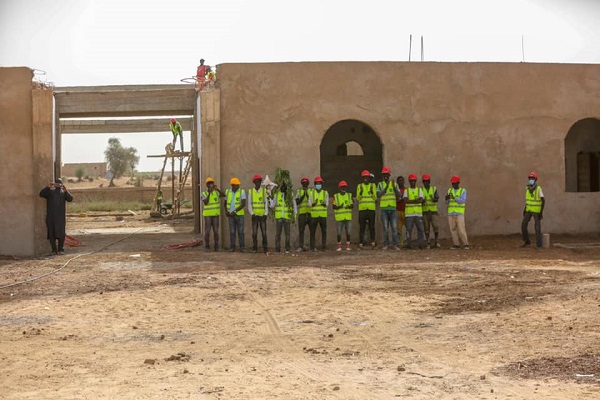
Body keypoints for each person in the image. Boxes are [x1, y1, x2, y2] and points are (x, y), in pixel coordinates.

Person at [39, 179, 73, 255]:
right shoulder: (50, 192)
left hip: (60, 217)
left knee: (61, 234)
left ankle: (60, 249)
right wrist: (48, 187)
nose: (58, 185)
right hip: (51, 216)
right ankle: (54, 250)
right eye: (56, 184)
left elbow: (70, 199)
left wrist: (66, 190)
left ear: (61, 185)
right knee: (51, 233)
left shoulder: (63, 193)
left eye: (59, 184)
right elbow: (41, 194)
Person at [377, 166, 401, 250]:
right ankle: (386, 244)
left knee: (394, 228)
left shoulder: (394, 184)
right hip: (384, 209)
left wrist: (394, 188)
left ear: (389, 175)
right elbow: (378, 195)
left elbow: (399, 195)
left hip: (393, 209)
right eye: (384, 174)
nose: (385, 176)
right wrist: (386, 188)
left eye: (387, 174)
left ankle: (395, 245)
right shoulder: (380, 184)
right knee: (385, 228)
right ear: (382, 175)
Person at [270, 182, 297, 253]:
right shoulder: (277, 195)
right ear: (280, 188)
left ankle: (287, 248)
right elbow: (272, 205)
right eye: (282, 187)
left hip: (287, 217)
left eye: (284, 187)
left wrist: (295, 215)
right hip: (279, 217)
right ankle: (277, 248)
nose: (283, 188)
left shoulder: (290, 195)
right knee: (278, 234)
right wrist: (269, 197)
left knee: (287, 234)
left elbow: (294, 205)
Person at [521, 172, 545, 248]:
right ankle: (527, 241)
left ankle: (539, 245)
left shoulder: (538, 188)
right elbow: (527, 200)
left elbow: (543, 200)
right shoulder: (527, 188)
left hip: (536, 211)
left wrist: (541, 212)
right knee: (523, 225)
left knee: (537, 228)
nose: (531, 180)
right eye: (530, 179)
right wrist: (525, 209)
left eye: (532, 179)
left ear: (535, 180)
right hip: (528, 210)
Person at [446, 175, 470, 250]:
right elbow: (447, 202)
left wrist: (454, 198)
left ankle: (466, 244)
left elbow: (462, 201)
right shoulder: (449, 190)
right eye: (452, 183)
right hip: (451, 213)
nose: (453, 184)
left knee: (461, 229)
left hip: (459, 213)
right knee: (453, 229)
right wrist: (447, 199)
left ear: (458, 183)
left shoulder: (463, 191)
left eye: (455, 183)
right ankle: (456, 244)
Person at [201, 177, 224, 251]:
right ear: (207, 185)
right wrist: (209, 193)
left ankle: (216, 246)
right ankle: (207, 246)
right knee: (207, 231)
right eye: (209, 183)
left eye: (212, 183)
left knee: (216, 231)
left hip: (215, 215)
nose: (211, 185)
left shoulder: (216, 193)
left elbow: (223, 195)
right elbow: (206, 202)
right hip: (207, 215)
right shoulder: (203, 193)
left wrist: (217, 189)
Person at [248, 174, 269, 253]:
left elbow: (266, 203)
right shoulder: (251, 191)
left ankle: (265, 248)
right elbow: (249, 204)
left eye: (260, 181)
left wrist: (265, 214)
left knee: (264, 233)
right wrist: (252, 214)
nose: (258, 183)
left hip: (262, 216)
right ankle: (255, 248)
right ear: (254, 182)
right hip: (255, 216)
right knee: (254, 233)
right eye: (257, 181)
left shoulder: (264, 191)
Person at [356, 170, 377, 249]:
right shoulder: (359, 186)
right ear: (362, 178)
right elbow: (358, 198)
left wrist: (372, 192)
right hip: (362, 209)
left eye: (367, 177)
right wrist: (361, 192)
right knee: (362, 227)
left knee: (372, 226)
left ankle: (373, 242)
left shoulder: (373, 186)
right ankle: (361, 242)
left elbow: (375, 198)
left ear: (369, 177)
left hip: (371, 209)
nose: (365, 178)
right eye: (364, 177)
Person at [224, 177, 246, 252]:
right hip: (231, 215)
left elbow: (243, 204)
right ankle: (232, 247)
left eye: (238, 185)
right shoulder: (227, 192)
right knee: (232, 232)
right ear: (232, 185)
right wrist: (226, 211)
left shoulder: (241, 192)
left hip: (239, 215)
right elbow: (225, 203)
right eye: (236, 185)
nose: (238, 186)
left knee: (241, 232)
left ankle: (242, 247)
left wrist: (235, 211)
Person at [404, 174, 425, 249]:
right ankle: (409, 244)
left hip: (418, 214)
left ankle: (420, 245)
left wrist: (411, 201)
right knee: (408, 230)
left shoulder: (420, 190)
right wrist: (416, 200)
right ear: (409, 182)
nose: (412, 182)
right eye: (411, 181)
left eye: (413, 181)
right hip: (409, 214)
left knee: (420, 229)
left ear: (415, 181)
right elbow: (406, 201)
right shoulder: (407, 191)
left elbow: (421, 200)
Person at [332, 180, 353, 251]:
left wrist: (349, 206)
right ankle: (339, 246)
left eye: (345, 187)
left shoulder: (349, 195)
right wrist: (339, 207)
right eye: (342, 187)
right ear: (339, 188)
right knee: (339, 232)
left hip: (348, 217)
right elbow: (333, 206)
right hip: (339, 218)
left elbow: (352, 205)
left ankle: (348, 246)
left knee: (349, 232)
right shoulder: (336, 196)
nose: (343, 188)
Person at [309, 176, 329, 251]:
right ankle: (313, 247)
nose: (319, 185)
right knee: (312, 232)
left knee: (324, 232)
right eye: (317, 183)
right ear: (315, 184)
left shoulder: (325, 193)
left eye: (320, 183)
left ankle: (324, 247)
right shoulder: (311, 193)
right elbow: (309, 204)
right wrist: (313, 203)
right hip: (314, 216)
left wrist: (324, 204)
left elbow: (327, 204)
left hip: (323, 216)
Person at [421, 174, 441, 249]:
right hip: (425, 211)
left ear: (429, 181)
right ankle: (428, 242)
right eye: (424, 181)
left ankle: (436, 241)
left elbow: (437, 198)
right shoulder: (421, 190)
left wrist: (434, 199)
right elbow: (420, 199)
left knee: (436, 227)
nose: (426, 182)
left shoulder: (434, 189)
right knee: (426, 228)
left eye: (427, 181)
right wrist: (422, 201)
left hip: (433, 211)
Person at [295, 177, 312, 252]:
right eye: (303, 183)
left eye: (306, 183)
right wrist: (302, 196)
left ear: (308, 184)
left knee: (312, 231)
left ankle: (312, 246)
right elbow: (297, 202)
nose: (305, 184)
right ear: (302, 184)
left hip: (310, 213)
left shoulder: (311, 191)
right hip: (302, 213)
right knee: (301, 231)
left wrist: (307, 195)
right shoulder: (298, 191)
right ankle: (301, 246)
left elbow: (312, 201)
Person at [395, 175, 407, 247]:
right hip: (398, 211)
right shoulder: (396, 191)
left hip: (406, 211)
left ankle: (407, 241)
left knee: (407, 228)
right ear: (397, 182)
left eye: (402, 180)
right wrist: (401, 200)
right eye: (399, 181)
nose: (401, 182)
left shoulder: (406, 190)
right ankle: (400, 242)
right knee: (399, 229)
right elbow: (395, 201)